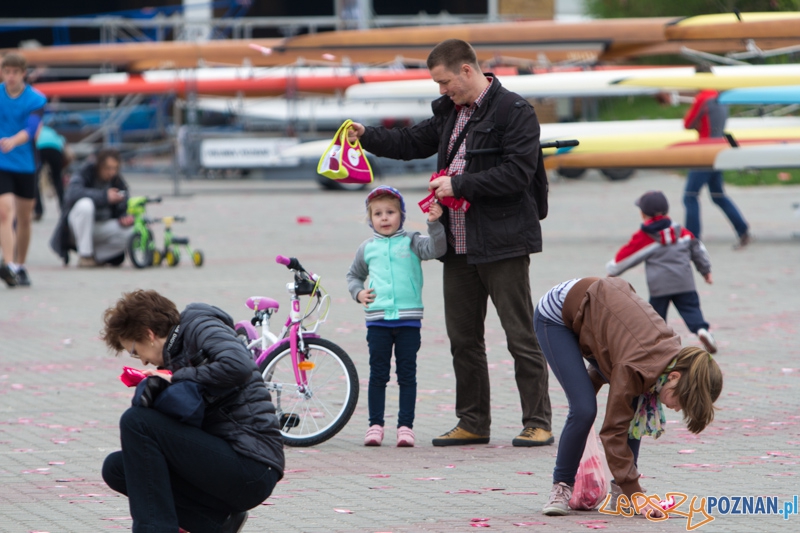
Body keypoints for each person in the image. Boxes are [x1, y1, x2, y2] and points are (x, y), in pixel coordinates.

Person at [347, 39, 553, 447]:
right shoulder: (449, 114)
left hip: (503, 242)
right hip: (456, 245)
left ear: (466, 70)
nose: (442, 90)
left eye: (444, 82)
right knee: (463, 339)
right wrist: (365, 135)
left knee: (519, 335)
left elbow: (517, 174)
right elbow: (409, 143)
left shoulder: (515, 111)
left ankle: (538, 421)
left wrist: (458, 183)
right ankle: (473, 421)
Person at [534, 277, 722, 516]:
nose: (675, 409)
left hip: (599, 317)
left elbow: (616, 353)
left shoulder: (664, 359)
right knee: (584, 410)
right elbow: (612, 432)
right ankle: (561, 486)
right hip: (557, 316)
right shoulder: (636, 366)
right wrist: (638, 495)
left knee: (634, 403)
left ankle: (621, 494)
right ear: (674, 376)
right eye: (681, 402)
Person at [100, 289, 285, 533]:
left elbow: (238, 365)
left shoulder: (200, 325)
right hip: (224, 463)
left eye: (135, 351)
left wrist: (175, 377)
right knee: (117, 467)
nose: (142, 361)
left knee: (136, 422)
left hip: (252, 465)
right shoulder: (174, 355)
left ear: (149, 334)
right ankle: (216, 523)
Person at [346, 186, 447, 447]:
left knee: (407, 375)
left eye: (390, 212)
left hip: (408, 321)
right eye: (378, 213)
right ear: (370, 219)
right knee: (378, 375)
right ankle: (375, 426)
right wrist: (358, 293)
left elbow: (436, 250)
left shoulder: (412, 241)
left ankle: (405, 427)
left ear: (401, 215)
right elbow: (353, 276)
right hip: (377, 322)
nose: (384, 218)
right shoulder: (366, 248)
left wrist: (434, 223)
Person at [606, 190, 717, 354]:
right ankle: (702, 330)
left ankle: (656, 345)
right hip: (684, 282)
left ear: (643, 214)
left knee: (656, 318)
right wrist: (706, 270)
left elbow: (627, 256)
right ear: (667, 211)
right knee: (691, 309)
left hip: (659, 286)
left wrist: (613, 270)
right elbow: (697, 249)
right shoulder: (682, 232)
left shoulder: (645, 237)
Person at [0, 52, 47, 287]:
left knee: (25, 218)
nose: (10, 76)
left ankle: (20, 264)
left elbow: (30, 129)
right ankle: (8, 265)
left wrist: (12, 141)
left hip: (26, 163)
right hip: (1, 163)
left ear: (23, 74)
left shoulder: (36, 99)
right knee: (4, 212)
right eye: (6, 72)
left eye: (14, 72)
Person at [683, 89, 750, 248]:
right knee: (718, 195)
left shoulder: (702, 98)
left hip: (705, 151)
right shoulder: (721, 97)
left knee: (690, 195)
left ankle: (692, 239)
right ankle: (743, 229)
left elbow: (688, 124)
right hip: (719, 148)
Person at [49, 148, 133, 267]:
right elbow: (72, 193)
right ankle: (85, 256)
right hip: (76, 228)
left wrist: (124, 217)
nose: (111, 172)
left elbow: (124, 205)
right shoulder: (85, 172)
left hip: (101, 228)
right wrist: (105, 196)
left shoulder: (117, 181)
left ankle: (97, 257)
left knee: (133, 231)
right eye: (108, 168)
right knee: (85, 205)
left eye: (115, 168)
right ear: (99, 165)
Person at [33, 124, 69, 220]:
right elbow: (63, 142)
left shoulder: (35, 129)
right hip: (56, 148)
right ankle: (64, 208)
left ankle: (38, 210)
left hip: (39, 147)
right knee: (57, 178)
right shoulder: (52, 132)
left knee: (35, 179)